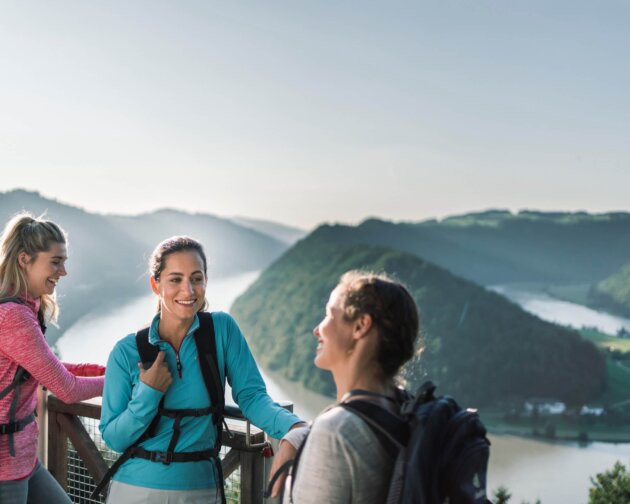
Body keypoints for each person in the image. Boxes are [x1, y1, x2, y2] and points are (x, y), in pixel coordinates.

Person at [99, 235, 305, 504]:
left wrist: (295, 428)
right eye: (175, 279)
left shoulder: (222, 330)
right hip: (137, 491)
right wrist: (148, 393)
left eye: (196, 278)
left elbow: (253, 397)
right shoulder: (126, 351)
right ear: (155, 284)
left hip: (203, 491)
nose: (189, 290)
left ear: (206, 280)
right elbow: (114, 438)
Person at [279, 270, 420, 504]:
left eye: (328, 315)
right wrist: (302, 434)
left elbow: (342, 434)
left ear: (360, 326)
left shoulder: (334, 432)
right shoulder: (407, 409)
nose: (317, 329)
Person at [0, 212, 106, 504]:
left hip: (22, 459)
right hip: (4, 468)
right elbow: (67, 389)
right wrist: (124, 381)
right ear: (25, 260)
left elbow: (45, 368)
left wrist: (110, 370)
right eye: (56, 262)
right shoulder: (13, 316)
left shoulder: (22, 306)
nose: (63, 272)